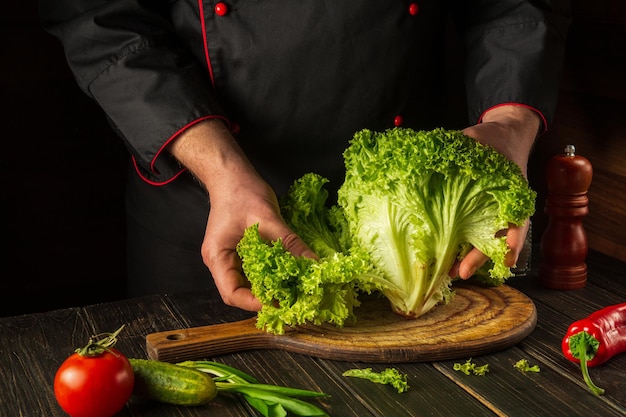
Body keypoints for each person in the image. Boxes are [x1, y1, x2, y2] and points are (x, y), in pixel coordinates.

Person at [39, 1, 571, 312]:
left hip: (425, 222)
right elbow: (99, 17)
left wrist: (507, 125)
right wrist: (222, 171)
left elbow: (515, 4)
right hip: (210, 210)